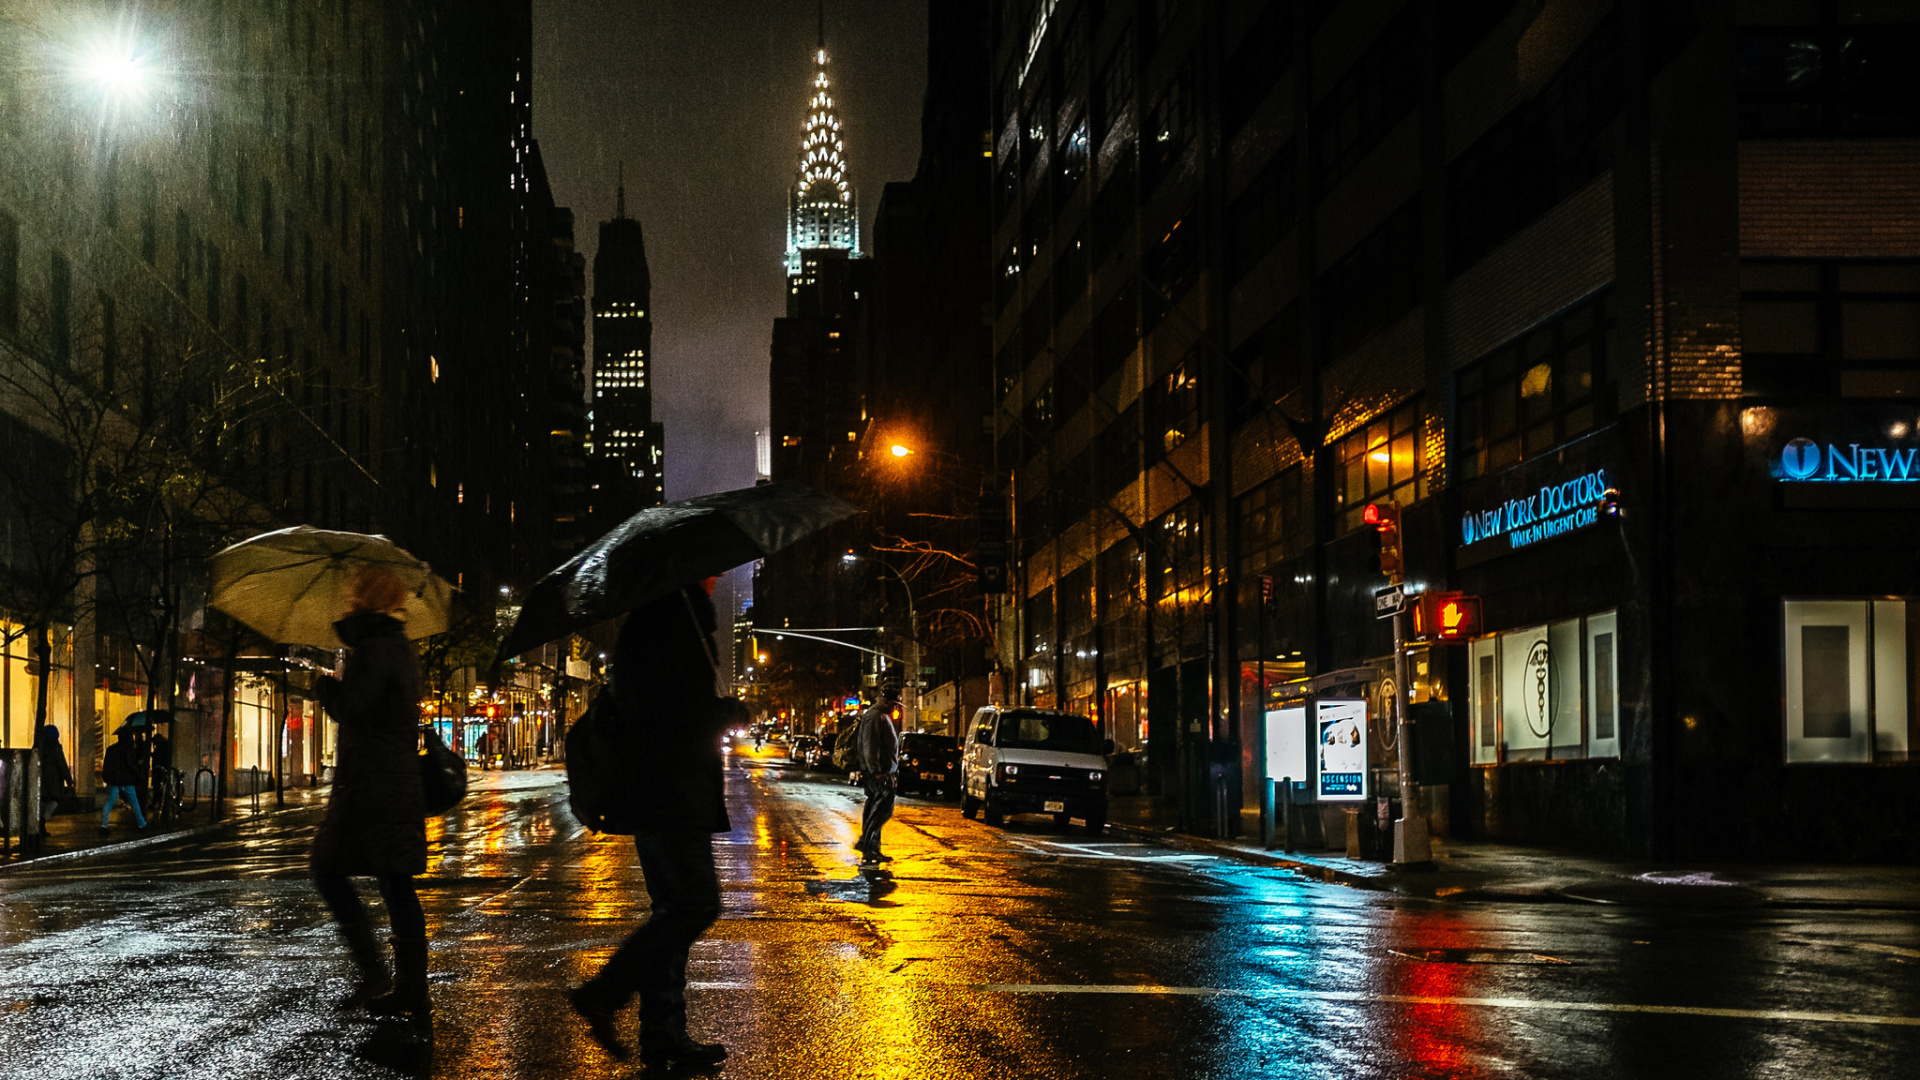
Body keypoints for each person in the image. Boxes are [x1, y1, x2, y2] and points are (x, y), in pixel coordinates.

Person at [567, 578, 730, 1067]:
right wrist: (721, 712)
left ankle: (663, 1033)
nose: (717, 575)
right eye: (712, 568)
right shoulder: (671, 620)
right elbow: (665, 714)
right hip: (670, 791)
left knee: (672, 910)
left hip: (663, 791)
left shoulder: (663, 616)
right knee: (694, 905)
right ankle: (605, 993)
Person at [310, 566, 432, 1022]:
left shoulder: (374, 648)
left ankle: (378, 973)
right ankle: (407, 986)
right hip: (393, 785)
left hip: (370, 788)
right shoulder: (396, 645)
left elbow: (353, 708)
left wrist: (327, 687)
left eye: (352, 592)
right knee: (396, 884)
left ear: (361, 598)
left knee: (327, 868)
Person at [853, 671, 902, 866]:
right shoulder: (875, 717)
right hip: (878, 773)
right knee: (881, 809)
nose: (896, 707)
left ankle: (872, 847)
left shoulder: (880, 715)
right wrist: (876, 771)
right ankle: (867, 844)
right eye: (894, 703)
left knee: (877, 808)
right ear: (887, 701)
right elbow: (870, 745)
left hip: (883, 772)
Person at [99, 727, 148, 832]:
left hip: (114, 780)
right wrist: (138, 776)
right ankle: (142, 824)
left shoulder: (111, 749)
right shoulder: (128, 749)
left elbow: (107, 764)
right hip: (126, 779)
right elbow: (131, 765)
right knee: (134, 802)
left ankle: (104, 825)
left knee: (109, 802)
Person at [34, 724, 73, 837]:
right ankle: (42, 822)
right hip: (54, 781)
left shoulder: (39, 748)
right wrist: (69, 780)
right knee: (54, 801)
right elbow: (62, 765)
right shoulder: (55, 748)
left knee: (42, 802)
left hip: (41, 780)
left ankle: (39, 824)